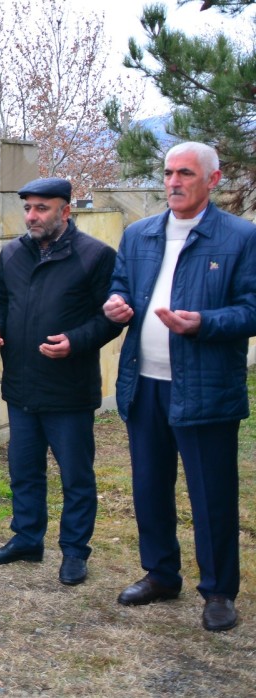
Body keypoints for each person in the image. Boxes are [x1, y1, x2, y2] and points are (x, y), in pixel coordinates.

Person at [103, 142, 256, 632]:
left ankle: (218, 591)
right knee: (149, 486)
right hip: (144, 383)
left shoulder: (240, 237)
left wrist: (203, 323)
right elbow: (121, 285)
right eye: (168, 172)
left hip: (206, 387)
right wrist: (116, 303)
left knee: (211, 494)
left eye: (185, 173)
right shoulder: (139, 233)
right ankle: (161, 574)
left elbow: (252, 309)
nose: (173, 182)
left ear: (212, 180)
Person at [0, 177, 121, 586]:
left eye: (41, 208)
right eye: (27, 208)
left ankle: (75, 551)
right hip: (21, 383)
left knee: (76, 475)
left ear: (65, 210)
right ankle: (27, 538)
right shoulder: (11, 254)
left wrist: (76, 341)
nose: (32, 216)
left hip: (69, 389)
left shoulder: (95, 256)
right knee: (24, 470)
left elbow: (109, 319)